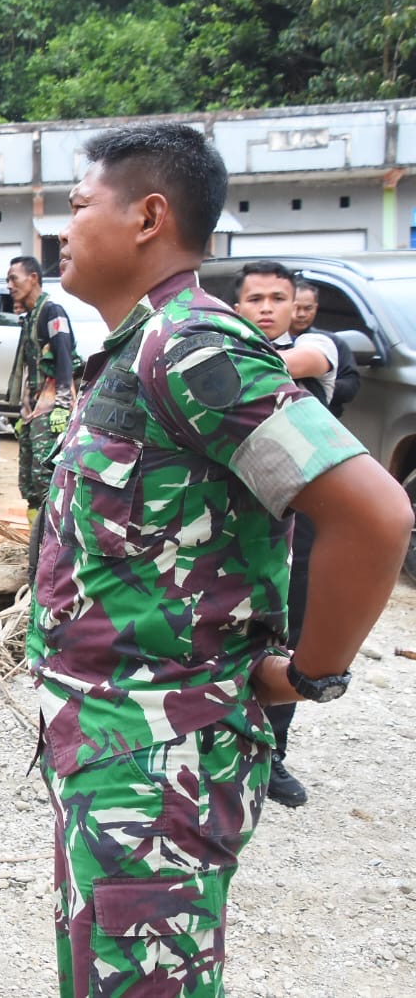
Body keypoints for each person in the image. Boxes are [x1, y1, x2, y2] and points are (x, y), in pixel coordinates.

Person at [29, 123, 410, 996]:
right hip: (109, 751)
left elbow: (374, 515)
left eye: (79, 205)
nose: (60, 230)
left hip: (161, 762)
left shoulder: (195, 346)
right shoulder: (137, 348)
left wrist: (307, 675)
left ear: (148, 216)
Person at [230, 261, 337, 809]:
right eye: (254, 299)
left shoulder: (318, 347)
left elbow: (294, 360)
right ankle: (230, 748)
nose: (267, 307)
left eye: (278, 298)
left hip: (299, 532)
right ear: (237, 307)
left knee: (287, 640)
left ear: (296, 306)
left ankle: (275, 755)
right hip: (235, 528)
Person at [6, 255, 76, 543]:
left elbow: (64, 357)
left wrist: (62, 404)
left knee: (45, 478)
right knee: (29, 481)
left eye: (14, 278)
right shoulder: (30, 316)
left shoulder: (52, 312)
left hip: (50, 408)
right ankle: (37, 544)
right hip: (32, 410)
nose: (9, 285)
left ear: (33, 277)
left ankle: (54, 544)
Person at [289, 281, 361, 417]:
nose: (301, 314)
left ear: (316, 307)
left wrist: (322, 382)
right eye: (296, 307)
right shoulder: (268, 340)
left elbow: (351, 385)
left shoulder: (332, 343)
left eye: (308, 308)